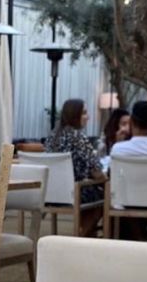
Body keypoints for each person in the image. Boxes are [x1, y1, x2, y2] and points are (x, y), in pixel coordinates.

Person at [44, 98, 105, 235]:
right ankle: (81, 236)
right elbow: (97, 173)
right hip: (75, 192)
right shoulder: (79, 138)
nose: (88, 117)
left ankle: (85, 235)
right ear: (74, 116)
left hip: (53, 193)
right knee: (105, 195)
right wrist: (107, 177)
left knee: (94, 191)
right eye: (84, 113)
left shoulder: (52, 136)